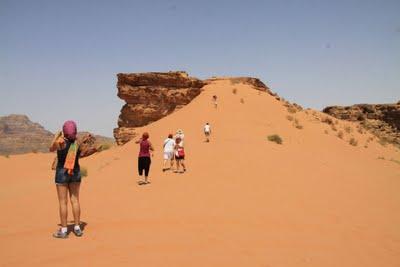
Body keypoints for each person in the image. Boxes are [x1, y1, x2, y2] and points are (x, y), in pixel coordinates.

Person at [49, 120, 83, 239]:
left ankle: (64, 230)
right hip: (75, 172)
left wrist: (56, 137)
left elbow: (51, 148)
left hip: (62, 173)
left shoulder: (61, 142)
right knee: (75, 200)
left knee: (63, 202)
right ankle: (77, 228)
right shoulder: (78, 143)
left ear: (64, 131)